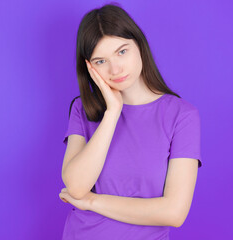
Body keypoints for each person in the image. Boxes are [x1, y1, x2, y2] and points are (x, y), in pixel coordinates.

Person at [59, 3, 202, 240]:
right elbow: (75, 186)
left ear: (139, 45)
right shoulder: (83, 110)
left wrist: (92, 201)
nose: (115, 68)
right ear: (89, 67)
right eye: (100, 61)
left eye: (122, 51)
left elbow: (174, 213)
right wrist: (113, 112)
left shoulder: (181, 115)